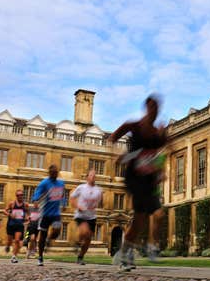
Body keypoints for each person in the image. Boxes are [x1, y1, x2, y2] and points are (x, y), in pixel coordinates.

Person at [109, 95, 167, 271]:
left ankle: (138, 249)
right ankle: (125, 255)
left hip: (150, 180)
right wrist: (120, 155)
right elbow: (112, 138)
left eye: (157, 108)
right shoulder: (133, 126)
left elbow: (162, 153)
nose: (155, 111)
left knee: (154, 216)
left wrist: (160, 171)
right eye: (152, 108)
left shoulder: (158, 133)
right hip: (135, 179)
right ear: (147, 108)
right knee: (140, 219)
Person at [31, 164, 65, 266]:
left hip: (56, 213)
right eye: (53, 173)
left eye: (56, 173)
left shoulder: (61, 183)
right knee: (42, 235)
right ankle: (40, 256)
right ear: (49, 173)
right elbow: (37, 193)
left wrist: (63, 203)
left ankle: (49, 240)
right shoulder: (44, 183)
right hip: (45, 213)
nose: (55, 174)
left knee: (57, 231)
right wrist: (36, 200)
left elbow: (62, 194)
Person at [70, 169, 103, 265]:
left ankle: (80, 256)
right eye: (91, 175)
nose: (93, 177)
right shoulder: (81, 187)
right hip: (81, 215)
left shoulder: (99, 190)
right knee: (85, 231)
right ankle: (78, 242)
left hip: (92, 216)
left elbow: (101, 201)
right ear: (87, 177)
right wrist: (78, 206)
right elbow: (72, 198)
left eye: (94, 175)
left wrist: (96, 205)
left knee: (88, 239)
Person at [4, 190, 29, 263]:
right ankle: (8, 246)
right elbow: (4, 211)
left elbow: (28, 213)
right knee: (9, 240)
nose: (20, 196)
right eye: (18, 195)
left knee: (17, 240)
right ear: (16, 196)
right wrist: (10, 214)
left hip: (19, 224)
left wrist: (27, 218)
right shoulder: (12, 203)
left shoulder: (25, 204)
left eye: (21, 195)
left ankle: (14, 256)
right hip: (11, 224)